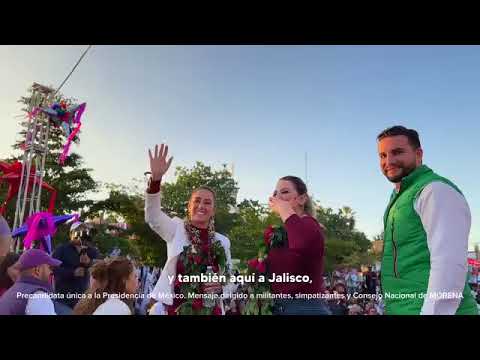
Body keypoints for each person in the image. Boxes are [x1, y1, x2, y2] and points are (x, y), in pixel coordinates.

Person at [377, 125, 478, 315]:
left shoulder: (435, 190)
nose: (388, 161)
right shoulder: (400, 197)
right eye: (382, 155)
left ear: (418, 154)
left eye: (397, 152)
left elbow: (449, 264)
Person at [145, 144, 234, 315]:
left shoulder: (222, 241)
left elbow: (229, 278)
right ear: (189, 206)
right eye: (197, 201)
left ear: (214, 210)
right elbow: (153, 216)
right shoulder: (175, 229)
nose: (201, 206)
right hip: (177, 310)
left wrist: (221, 286)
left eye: (207, 203)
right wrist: (156, 180)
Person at [266, 175, 331, 315]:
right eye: (275, 193)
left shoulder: (310, 224)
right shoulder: (281, 232)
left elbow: (300, 242)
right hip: (280, 306)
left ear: (302, 199)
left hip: (305, 307)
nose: (277, 197)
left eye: (284, 192)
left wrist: (284, 209)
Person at [52, 221, 99, 309]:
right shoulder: (61, 249)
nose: (81, 235)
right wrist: (72, 272)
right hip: (64, 298)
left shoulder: (92, 251)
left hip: (83, 298)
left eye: (84, 231)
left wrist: (89, 263)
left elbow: (98, 268)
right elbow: (54, 269)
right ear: (71, 234)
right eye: (78, 231)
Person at [0, 249, 61, 315]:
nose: (51, 272)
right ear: (37, 270)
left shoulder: (12, 290)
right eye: (49, 268)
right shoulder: (38, 296)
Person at [73, 257, 138, 315]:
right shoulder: (118, 308)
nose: (138, 282)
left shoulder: (107, 303)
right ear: (124, 279)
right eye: (135, 277)